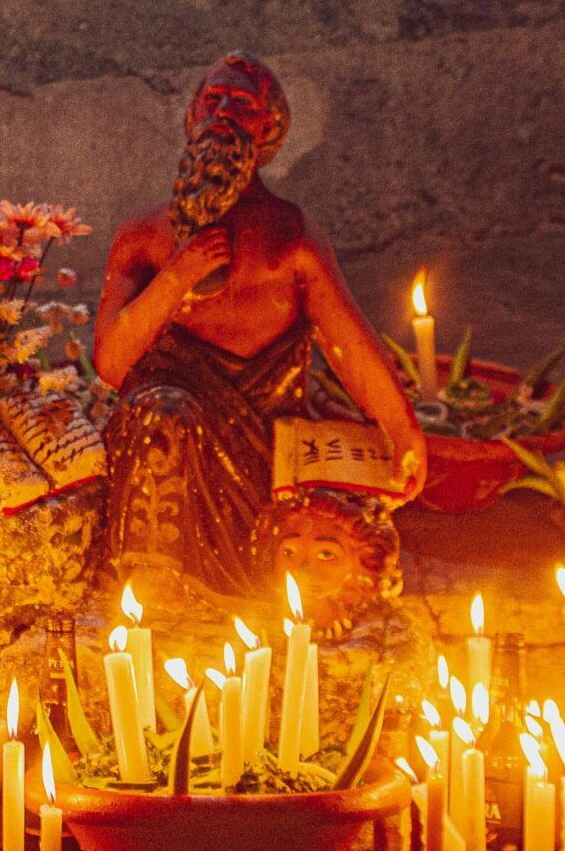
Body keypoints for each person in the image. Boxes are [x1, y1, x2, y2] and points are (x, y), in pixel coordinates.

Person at [95, 52, 425, 607]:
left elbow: (347, 340)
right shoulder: (145, 234)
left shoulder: (291, 236)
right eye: (213, 100)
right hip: (168, 438)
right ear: (193, 115)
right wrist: (180, 274)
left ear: (268, 127)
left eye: (242, 104)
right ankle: (155, 593)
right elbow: (111, 364)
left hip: (264, 440)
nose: (222, 112)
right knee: (161, 415)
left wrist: (401, 428)